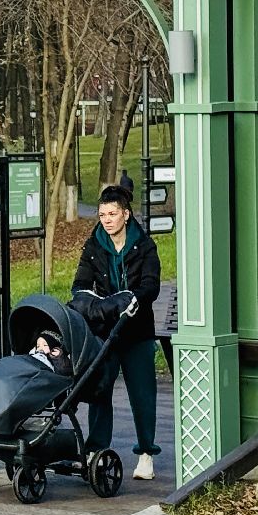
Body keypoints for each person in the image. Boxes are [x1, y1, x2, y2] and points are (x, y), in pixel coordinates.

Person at [72, 183, 162, 480]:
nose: (107, 220)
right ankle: (96, 450)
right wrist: (94, 304)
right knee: (99, 389)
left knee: (142, 393)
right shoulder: (93, 246)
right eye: (102, 215)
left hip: (137, 330)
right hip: (104, 330)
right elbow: (80, 285)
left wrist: (133, 299)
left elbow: (151, 286)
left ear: (125, 214)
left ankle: (146, 454)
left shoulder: (145, 246)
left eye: (112, 214)